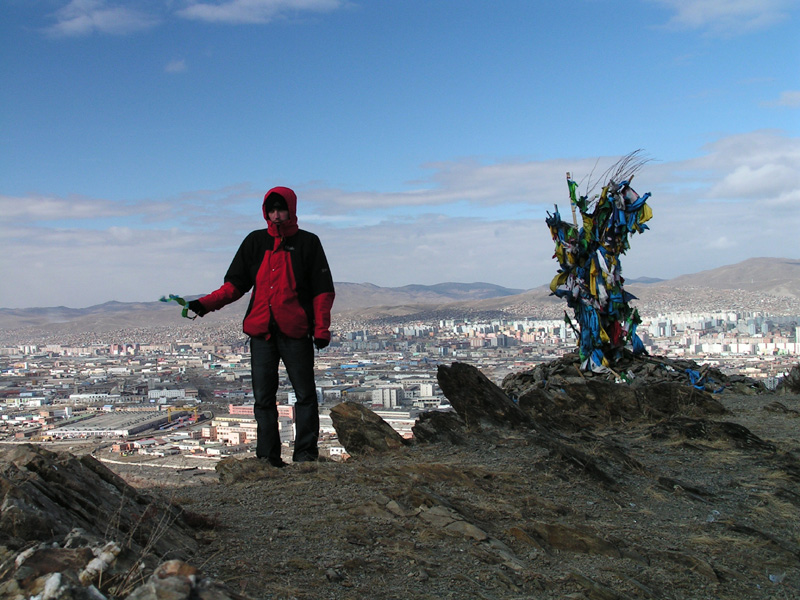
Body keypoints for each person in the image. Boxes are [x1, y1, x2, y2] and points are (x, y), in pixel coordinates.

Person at [187, 186, 335, 467]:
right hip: (261, 334)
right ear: (266, 212)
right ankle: (268, 458)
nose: (277, 215)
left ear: (291, 210)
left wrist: (321, 329)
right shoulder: (255, 242)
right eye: (272, 210)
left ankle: (305, 455)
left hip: (295, 331)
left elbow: (322, 290)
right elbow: (235, 286)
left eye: (282, 210)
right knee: (263, 400)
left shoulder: (308, 243)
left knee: (305, 396)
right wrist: (205, 304)